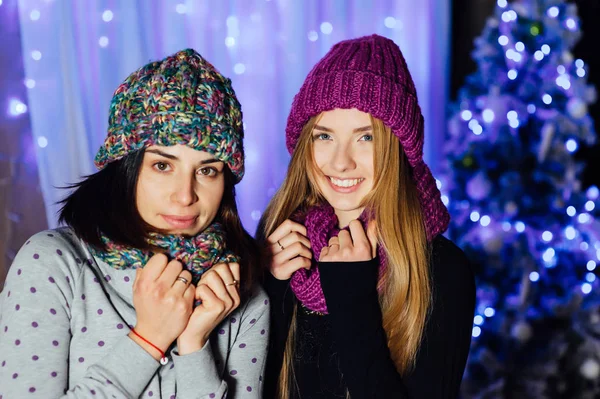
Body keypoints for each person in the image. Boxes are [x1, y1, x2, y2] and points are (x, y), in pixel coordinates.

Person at [0, 49, 268, 398]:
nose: (185, 195)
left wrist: (194, 347)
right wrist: (148, 339)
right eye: (162, 165)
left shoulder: (241, 293)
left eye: (207, 170)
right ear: (125, 166)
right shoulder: (52, 263)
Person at [258, 35, 476, 398]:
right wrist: (270, 288)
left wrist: (351, 293)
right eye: (324, 136)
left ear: (398, 147)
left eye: (366, 138)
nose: (341, 162)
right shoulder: (280, 241)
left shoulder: (443, 271)